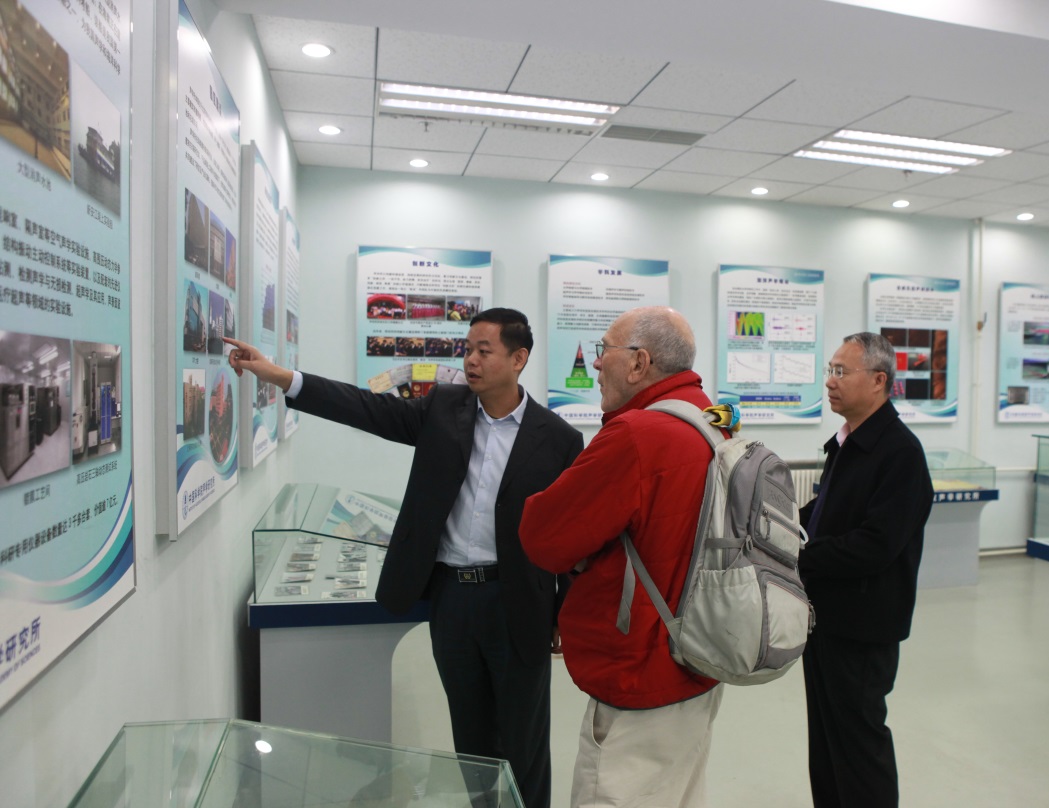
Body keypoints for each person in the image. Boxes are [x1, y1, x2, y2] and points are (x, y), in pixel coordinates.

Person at [223, 308, 582, 808]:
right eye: (468, 349)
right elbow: (365, 408)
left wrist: (565, 608)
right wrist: (283, 377)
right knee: (471, 737)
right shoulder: (445, 408)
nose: (471, 360)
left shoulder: (558, 438)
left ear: (518, 359)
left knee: (524, 740)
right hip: (453, 598)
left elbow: (570, 532)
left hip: (517, 600)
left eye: (485, 351)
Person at [520, 306, 724, 808]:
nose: (595, 363)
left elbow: (543, 537)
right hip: (700, 656)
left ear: (638, 363)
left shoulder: (635, 436)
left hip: (639, 673)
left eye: (603, 350)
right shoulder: (711, 422)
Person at [798, 332, 933, 808]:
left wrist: (799, 556)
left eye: (841, 372)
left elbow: (875, 546)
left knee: (858, 746)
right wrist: (780, 525)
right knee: (827, 741)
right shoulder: (848, 443)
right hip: (824, 618)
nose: (830, 382)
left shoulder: (899, 453)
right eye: (830, 370)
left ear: (878, 381)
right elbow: (826, 513)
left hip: (862, 626)